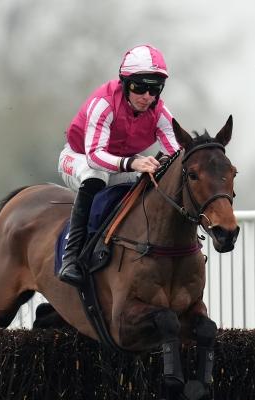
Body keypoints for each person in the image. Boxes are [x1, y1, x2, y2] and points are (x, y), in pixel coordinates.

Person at [57, 44, 181, 286]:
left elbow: (179, 153)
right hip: (79, 158)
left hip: (119, 165)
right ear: (125, 83)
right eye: (140, 87)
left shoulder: (159, 112)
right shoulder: (104, 103)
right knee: (96, 175)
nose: (147, 97)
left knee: (148, 182)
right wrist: (133, 162)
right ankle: (70, 257)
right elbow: (94, 156)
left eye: (154, 89)